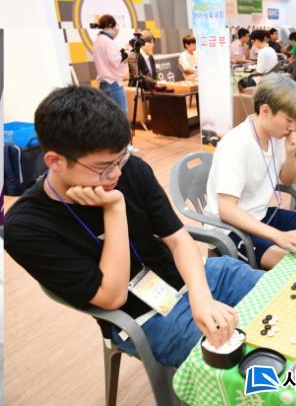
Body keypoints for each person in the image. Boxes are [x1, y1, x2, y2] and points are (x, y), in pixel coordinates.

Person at [4, 86, 263, 368]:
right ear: (55, 161)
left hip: (188, 275)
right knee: (241, 360)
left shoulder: (131, 169)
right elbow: (113, 296)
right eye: (104, 167)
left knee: (281, 292)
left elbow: (178, 239)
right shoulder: (27, 227)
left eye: (121, 158)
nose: (116, 173)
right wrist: (114, 209)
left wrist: (200, 298)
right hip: (142, 317)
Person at [206, 75, 296, 270]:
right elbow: (227, 210)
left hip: (262, 214)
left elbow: (287, 180)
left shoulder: (276, 136)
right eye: (289, 120)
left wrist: (290, 153)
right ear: (265, 111)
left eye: (295, 121)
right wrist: (278, 236)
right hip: (230, 228)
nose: (293, 128)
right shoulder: (236, 144)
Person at [93, 14, 128, 114]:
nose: (116, 30)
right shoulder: (107, 41)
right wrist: (127, 53)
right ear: (110, 26)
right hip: (113, 83)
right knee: (121, 114)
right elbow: (116, 61)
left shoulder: (98, 40)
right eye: (115, 27)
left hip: (104, 83)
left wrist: (122, 51)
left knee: (108, 115)